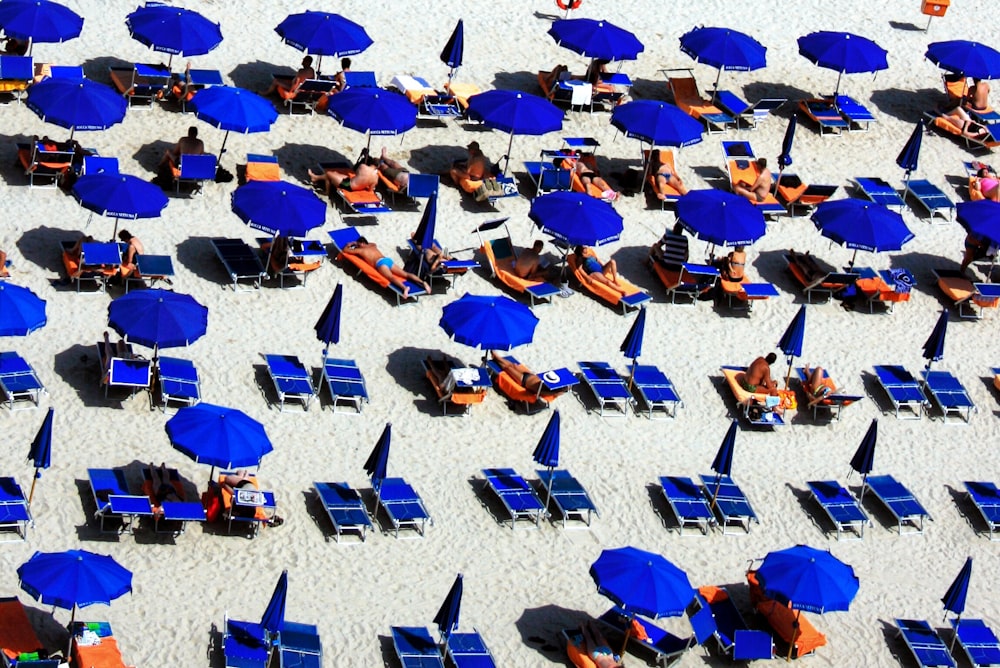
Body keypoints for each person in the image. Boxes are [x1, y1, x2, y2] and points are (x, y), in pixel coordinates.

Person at [342, 236, 430, 298]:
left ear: (361, 243)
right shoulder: (372, 246)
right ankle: (423, 282)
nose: (357, 246)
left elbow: (345, 250)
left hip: (380, 263)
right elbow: (373, 243)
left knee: (390, 277)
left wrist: (351, 244)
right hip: (387, 260)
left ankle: (404, 288)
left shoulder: (360, 250)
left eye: (358, 244)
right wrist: (362, 243)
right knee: (405, 274)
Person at [490, 351, 567, 397]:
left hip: (523, 380)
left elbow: (552, 394)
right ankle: (497, 358)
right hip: (529, 374)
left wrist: (558, 392)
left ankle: (496, 358)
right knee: (513, 366)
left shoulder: (544, 390)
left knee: (508, 368)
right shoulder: (550, 382)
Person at [308, 154, 379, 195]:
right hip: (353, 184)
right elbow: (370, 190)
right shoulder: (376, 177)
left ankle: (321, 185)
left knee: (329, 173)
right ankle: (316, 178)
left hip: (348, 185)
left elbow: (356, 173)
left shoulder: (363, 167)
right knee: (334, 174)